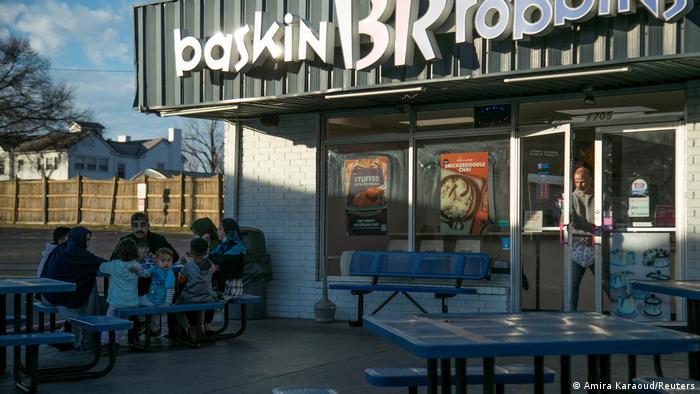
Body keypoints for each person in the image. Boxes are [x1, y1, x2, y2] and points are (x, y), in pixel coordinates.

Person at [41, 226, 106, 350]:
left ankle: (81, 338)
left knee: (89, 285)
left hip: (48, 294)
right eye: (86, 240)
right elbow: (99, 263)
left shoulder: (61, 248)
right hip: (61, 298)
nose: (88, 243)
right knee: (90, 287)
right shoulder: (79, 253)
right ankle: (87, 341)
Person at [111, 212, 180, 296]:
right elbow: (113, 259)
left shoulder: (158, 239)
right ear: (131, 227)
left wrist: (160, 259)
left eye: (143, 225)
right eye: (135, 226)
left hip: (153, 281)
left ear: (148, 226)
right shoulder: (125, 240)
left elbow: (175, 256)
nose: (139, 228)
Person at [99, 238, 143, 344]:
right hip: (131, 302)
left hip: (116, 302)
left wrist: (104, 259)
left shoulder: (114, 265)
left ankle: (105, 342)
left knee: (109, 320)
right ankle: (116, 341)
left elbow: (101, 267)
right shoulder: (137, 266)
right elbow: (142, 274)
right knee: (122, 321)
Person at [174, 237, 216, 342]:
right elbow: (213, 269)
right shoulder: (210, 264)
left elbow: (181, 280)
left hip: (190, 298)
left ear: (191, 251)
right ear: (206, 251)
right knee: (204, 302)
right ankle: (201, 327)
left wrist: (184, 264)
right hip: (207, 297)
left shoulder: (188, 266)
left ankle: (189, 328)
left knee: (175, 308)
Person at [570, 166, 596, 311]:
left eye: (583, 182)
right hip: (577, 246)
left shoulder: (602, 196)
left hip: (597, 245)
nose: (579, 185)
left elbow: (608, 221)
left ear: (591, 180)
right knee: (571, 285)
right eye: (576, 181)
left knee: (605, 282)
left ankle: (620, 313)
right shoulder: (571, 198)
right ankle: (567, 316)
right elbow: (566, 222)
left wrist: (596, 236)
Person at [139, 247, 176, 337]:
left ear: (172, 261)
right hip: (155, 298)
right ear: (156, 260)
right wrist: (137, 271)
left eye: (169, 260)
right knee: (155, 313)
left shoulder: (169, 274)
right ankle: (155, 330)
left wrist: (167, 303)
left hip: (158, 300)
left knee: (137, 301)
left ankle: (142, 321)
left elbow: (170, 289)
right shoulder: (155, 268)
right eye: (163, 260)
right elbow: (145, 273)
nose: (166, 263)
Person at [209, 218, 247, 299]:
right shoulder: (223, 246)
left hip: (232, 287)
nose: (217, 231)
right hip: (222, 284)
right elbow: (211, 256)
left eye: (220, 229)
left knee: (205, 294)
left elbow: (221, 260)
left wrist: (210, 260)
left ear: (227, 231)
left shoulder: (237, 247)